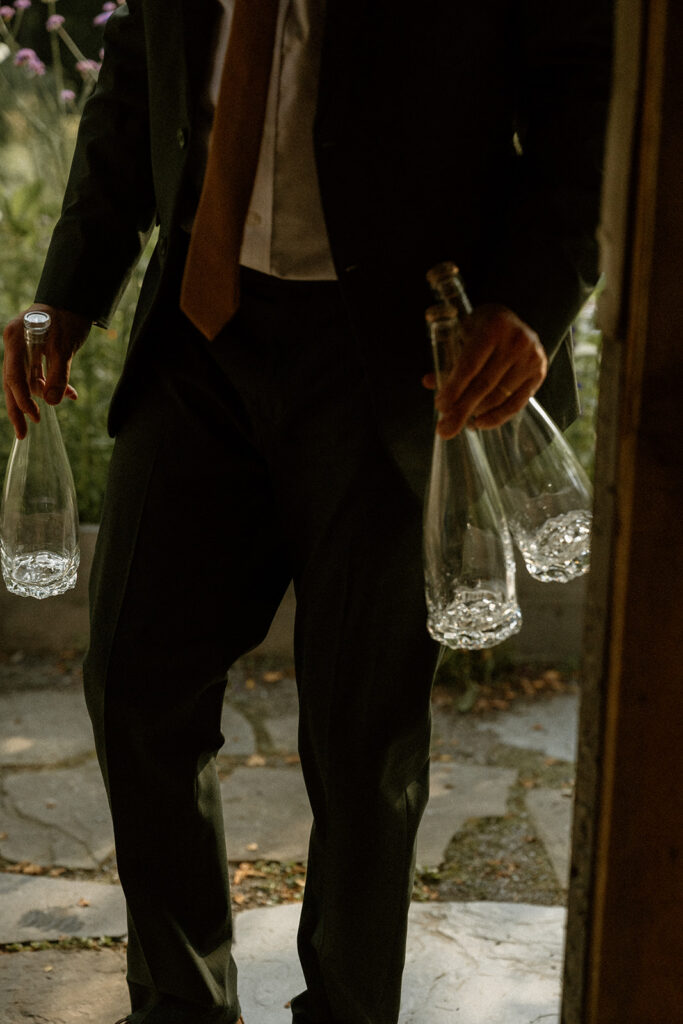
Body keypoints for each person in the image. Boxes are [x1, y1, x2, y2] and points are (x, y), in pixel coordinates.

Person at [2, 2, 612, 1022]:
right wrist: (67, 290)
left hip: (395, 353)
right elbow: (136, 76)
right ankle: (180, 1007)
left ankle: (347, 1008)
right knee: (134, 681)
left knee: (363, 729)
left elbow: (588, 97)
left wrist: (532, 296)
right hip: (199, 338)